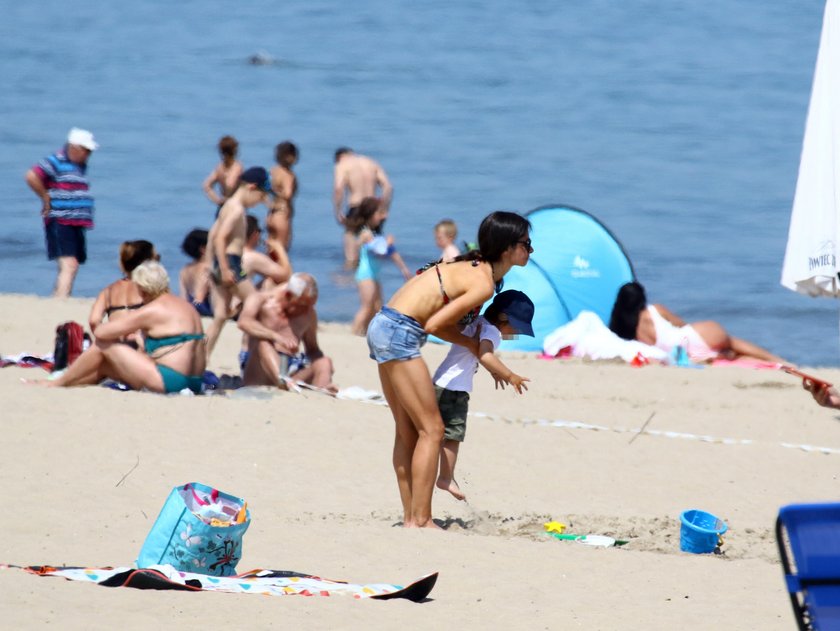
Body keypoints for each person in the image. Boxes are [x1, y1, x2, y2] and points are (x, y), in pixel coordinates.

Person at [366, 210, 533, 528]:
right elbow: (435, 324)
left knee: (408, 431)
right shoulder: (483, 282)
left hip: (383, 323)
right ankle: (422, 519)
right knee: (433, 430)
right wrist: (472, 346)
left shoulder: (472, 266)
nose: (531, 250)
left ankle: (410, 519)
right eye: (527, 244)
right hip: (401, 331)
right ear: (507, 248)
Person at [43, 261, 206, 394]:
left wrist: (103, 316)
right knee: (107, 366)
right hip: (195, 382)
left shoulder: (152, 309)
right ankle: (68, 385)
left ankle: (57, 383)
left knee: (103, 346)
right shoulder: (185, 306)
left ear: (142, 289)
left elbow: (101, 333)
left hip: (171, 381)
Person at [433, 290, 534, 502]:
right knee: (453, 435)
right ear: (504, 319)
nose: (514, 333)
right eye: (515, 328)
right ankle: (445, 478)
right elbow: (485, 354)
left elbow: (474, 353)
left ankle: (440, 474)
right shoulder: (492, 332)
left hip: (441, 382)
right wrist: (509, 374)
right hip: (455, 388)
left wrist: (493, 372)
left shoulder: (477, 321)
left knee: (436, 433)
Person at [608, 281, 786, 363]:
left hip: (680, 353)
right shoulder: (654, 310)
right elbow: (682, 325)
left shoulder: (626, 331)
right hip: (687, 341)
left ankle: (717, 355)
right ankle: (775, 359)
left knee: (728, 352)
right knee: (731, 342)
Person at [204, 166, 272, 360]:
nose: (261, 201)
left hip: (220, 262)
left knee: (220, 316)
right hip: (230, 262)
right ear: (251, 187)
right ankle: (250, 355)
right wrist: (225, 269)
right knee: (255, 302)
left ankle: (201, 358)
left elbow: (212, 235)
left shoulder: (226, 205)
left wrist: (211, 265)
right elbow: (220, 239)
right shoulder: (236, 209)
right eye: (261, 195)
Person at [24, 127, 99, 297]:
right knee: (69, 264)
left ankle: (59, 298)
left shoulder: (78, 165)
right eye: (86, 151)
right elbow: (31, 176)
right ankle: (61, 302)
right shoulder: (56, 160)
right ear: (74, 148)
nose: (88, 155)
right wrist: (45, 197)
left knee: (72, 264)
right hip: (61, 220)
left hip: (76, 222)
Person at [237, 273, 336, 392]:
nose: (306, 310)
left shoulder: (309, 313)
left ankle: (324, 389)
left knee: (325, 362)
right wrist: (276, 337)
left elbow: (313, 350)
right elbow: (243, 322)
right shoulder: (261, 300)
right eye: (303, 305)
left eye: (311, 305)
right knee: (263, 342)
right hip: (257, 368)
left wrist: (325, 369)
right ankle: (283, 380)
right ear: (288, 295)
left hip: (290, 368)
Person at [349, 197, 411, 336]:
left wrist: (403, 268)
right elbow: (380, 251)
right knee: (366, 307)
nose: (383, 217)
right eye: (379, 213)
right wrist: (388, 243)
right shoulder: (365, 233)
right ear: (371, 214)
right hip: (365, 275)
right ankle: (353, 334)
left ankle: (366, 333)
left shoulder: (376, 234)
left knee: (377, 307)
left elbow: (390, 251)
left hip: (374, 274)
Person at [333, 147, 393, 268]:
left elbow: (338, 189)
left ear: (339, 157)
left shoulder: (342, 164)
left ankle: (350, 280)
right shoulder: (371, 162)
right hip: (373, 208)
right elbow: (388, 187)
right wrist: (383, 208)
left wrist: (338, 211)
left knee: (351, 252)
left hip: (356, 207)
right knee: (374, 250)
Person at [89, 240, 158, 342]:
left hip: (117, 343)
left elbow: (94, 320)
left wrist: (106, 339)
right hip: (142, 343)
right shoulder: (150, 288)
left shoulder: (108, 291)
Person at [242, 214, 292, 289]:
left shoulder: (232, 251)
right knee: (274, 284)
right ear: (255, 234)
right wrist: (279, 248)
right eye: (259, 231)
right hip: (239, 300)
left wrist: (271, 255)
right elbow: (287, 276)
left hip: (232, 298)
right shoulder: (252, 256)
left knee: (267, 282)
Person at [267, 141, 298, 250]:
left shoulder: (273, 171)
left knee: (270, 252)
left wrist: (273, 190)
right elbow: (288, 194)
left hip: (271, 214)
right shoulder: (288, 175)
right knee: (281, 252)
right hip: (283, 213)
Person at [203, 135, 244, 212]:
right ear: (235, 151)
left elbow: (207, 186)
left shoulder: (219, 167)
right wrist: (218, 200)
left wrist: (218, 200)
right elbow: (230, 184)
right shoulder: (237, 166)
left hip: (223, 206)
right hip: (235, 207)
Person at [179, 229, 213, 317]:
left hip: (187, 308)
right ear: (203, 249)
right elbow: (199, 299)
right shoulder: (207, 268)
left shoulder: (185, 269)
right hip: (203, 309)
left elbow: (184, 297)